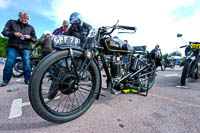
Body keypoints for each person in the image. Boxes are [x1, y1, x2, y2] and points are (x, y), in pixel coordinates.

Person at [47, 12, 92, 99]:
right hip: (75, 50)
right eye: (73, 24)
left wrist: (87, 48)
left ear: (80, 21)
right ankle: (54, 89)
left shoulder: (88, 27)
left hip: (85, 50)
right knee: (62, 63)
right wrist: (55, 36)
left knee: (83, 65)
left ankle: (89, 76)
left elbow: (90, 40)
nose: (74, 26)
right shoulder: (72, 28)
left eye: (75, 24)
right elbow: (66, 34)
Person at [0, 11, 37, 87]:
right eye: (23, 17)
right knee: (9, 63)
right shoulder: (11, 22)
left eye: (26, 18)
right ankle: (5, 81)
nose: (24, 19)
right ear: (19, 16)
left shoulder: (31, 27)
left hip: (25, 47)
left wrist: (29, 37)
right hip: (12, 46)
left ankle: (28, 80)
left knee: (27, 64)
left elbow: (35, 39)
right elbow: (4, 32)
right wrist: (14, 33)